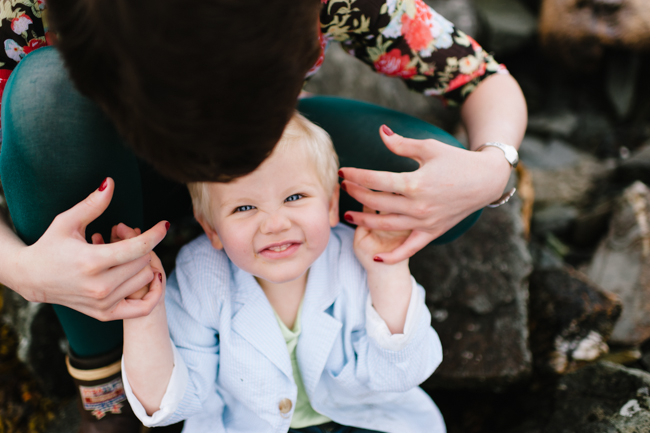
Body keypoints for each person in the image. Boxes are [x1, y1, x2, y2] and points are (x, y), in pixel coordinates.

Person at [0, 0, 526, 430]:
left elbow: (481, 78)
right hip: (99, 163)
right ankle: (106, 376)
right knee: (44, 96)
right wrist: (21, 269)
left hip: (268, 162)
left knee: (430, 181)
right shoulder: (20, 11)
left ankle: (259, 206)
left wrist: (491, 169)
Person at [119, 112, 444, 433]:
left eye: (295, 197)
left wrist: (387, 270)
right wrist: (142, 313)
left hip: (368, 420)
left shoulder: (355, 259)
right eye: (244, 208)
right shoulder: (201, 276)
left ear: (331, 205)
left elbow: (403, 373)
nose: (275, 223)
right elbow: (168, 406)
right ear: (211, 228)